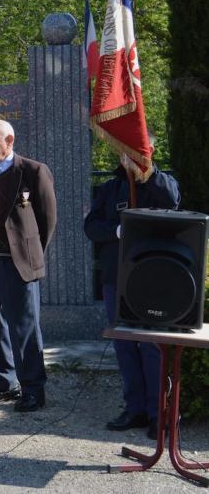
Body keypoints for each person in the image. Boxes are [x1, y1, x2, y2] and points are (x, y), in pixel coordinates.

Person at [0, 120, 57, 413]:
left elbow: (47, 218)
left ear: (10, 139)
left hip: (15, 263)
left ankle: (33, 388)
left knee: (23, 326)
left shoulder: (33, 171)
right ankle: (4, 382)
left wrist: (31, 254)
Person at [84, 153, 180, 439]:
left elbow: (172, 201)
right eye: (125, 152)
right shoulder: (111, 187)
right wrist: (115, 230)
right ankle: (135, 408)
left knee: (151, 345)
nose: (130, 157)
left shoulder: (160, 183)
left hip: (152, 277)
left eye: (138, 151)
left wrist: (149, 174)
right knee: (124, 344)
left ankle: (157, 412)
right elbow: (90, 226)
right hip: (117, 276)